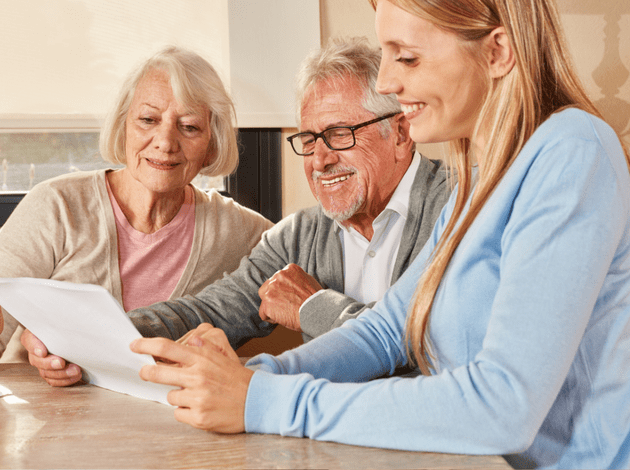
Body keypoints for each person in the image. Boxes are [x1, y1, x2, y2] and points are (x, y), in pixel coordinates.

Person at [130, 0, 630, 469]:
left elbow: (504, 405)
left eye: (407, 59)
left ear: (497, 51)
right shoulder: (479, 184)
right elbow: (387, 331)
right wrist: (253, 378)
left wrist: (264, 401)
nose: (388, 82)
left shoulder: (571, 151)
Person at [22, 37, 452, 385]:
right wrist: (82, 337)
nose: (319, 160)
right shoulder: (299, 235)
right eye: (308, 139)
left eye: (339, 135)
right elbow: (206, 311)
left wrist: (314, 307)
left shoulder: (461, 206)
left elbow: (440, 349)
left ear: (400, 132)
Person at [0, 46, 273, 380]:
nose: (165, 141)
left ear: (212, 143)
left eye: (189, 127)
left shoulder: (241, 231)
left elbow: (310, 265)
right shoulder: (57, 206)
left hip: (172, 421)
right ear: (123, 125)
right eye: (148, 120)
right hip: (39, 413)